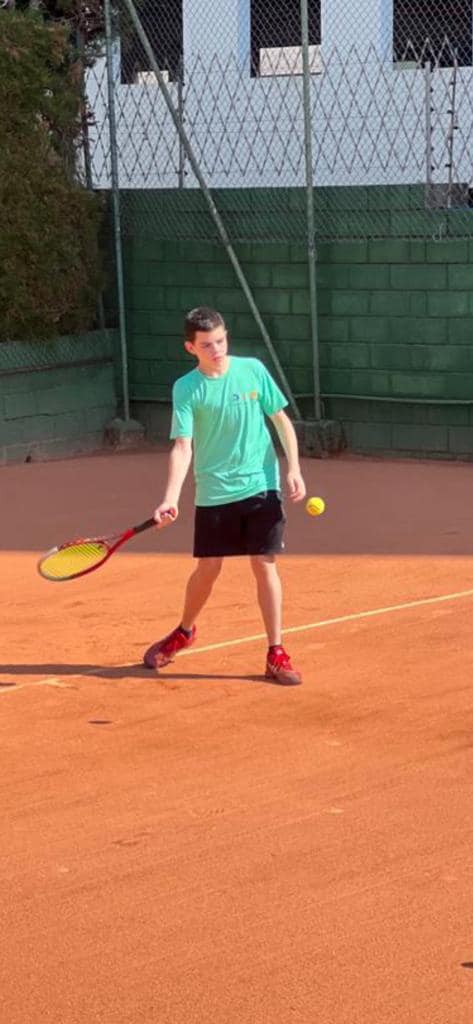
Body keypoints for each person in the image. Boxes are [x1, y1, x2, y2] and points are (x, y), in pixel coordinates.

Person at [144, 306, 307, 685]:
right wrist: (171, 497)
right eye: (206, 345)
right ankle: (185, 631)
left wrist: (294, 468)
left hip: (261, 485)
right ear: (190, 348)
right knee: (209, 567)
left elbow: (281, 421)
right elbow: (182, 446)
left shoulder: (253, 370)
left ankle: (276, 652)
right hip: (215, 491)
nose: (216, 349)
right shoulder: (186, 388)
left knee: (264, 563)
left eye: (220, 340)